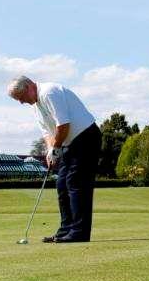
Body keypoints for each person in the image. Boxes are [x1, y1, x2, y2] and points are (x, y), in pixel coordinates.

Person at [7, 75, 101, 243]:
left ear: (29, 87)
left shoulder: (49, 93)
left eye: (21, 98)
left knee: (75, 183)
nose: (21, 102)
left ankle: (79, 232)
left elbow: (63, 124)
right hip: (69, 142)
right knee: (61, 184)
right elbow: (47, 133)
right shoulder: (36, 106)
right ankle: (65, 230)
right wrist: (51, 149)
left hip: (86, 137)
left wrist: (56, 147)